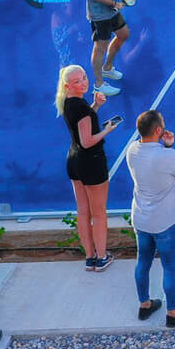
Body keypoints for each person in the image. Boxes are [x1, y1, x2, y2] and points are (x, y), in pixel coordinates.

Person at [124, 111, 175, 328]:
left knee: (142, 262)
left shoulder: (132, 150)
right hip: (166, 221)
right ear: (158, 130)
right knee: (171, 268)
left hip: (141, 219)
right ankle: (173, 313)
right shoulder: (168, 156)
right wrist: (169, 147)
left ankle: (145, 305)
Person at [57, 64, 117, 271]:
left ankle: (90, 257)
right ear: (68, 85)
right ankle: (102, 257)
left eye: (84, 78)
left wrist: (95, 106)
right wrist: (107, 130)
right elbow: (87, 141)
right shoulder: (81, 108)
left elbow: (83, 123)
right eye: (77, 81)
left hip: (74, 161)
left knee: (83, 212)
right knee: (99, 213)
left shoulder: (68, 102)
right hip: (91, 162)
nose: (83, 83)